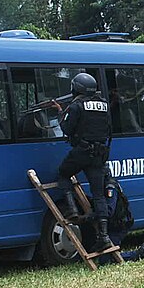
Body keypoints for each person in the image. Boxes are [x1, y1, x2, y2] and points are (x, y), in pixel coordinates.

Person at [55, 72, 114, 253]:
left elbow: (66, 128)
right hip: (99, 153)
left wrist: (60, 112)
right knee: (98, 195)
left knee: (63, 173)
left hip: (82, 152)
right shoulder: (104, 104)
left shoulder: (76, 105)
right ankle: (104, 237)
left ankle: (72, 209)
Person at [99, 177, 144, 263]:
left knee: (106, 260)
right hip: (115, 224)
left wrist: (90, 216)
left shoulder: (110, 187)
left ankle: (141, 253)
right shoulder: (105, 185)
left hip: (118, 226)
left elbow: (109, 211)